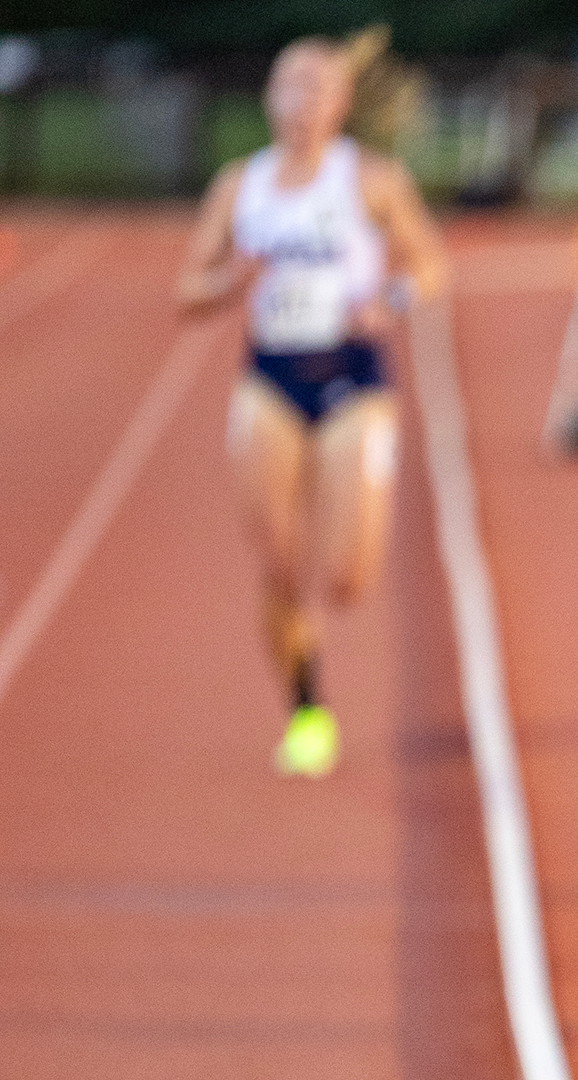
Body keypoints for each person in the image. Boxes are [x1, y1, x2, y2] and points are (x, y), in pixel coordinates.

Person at [177, 36, 446, 777]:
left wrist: (388, 299)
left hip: (353, 376)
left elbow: (428, 263)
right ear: (269, 99)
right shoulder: (241, 185)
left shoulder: (371, 179)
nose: (300, 101)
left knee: (347, 578)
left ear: (338, 104)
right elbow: (186, 291)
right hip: (270, 377)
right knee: (279, 564)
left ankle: (325, 616)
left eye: (316, 87)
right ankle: (306, 707)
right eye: (288, 85)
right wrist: (232, 281)